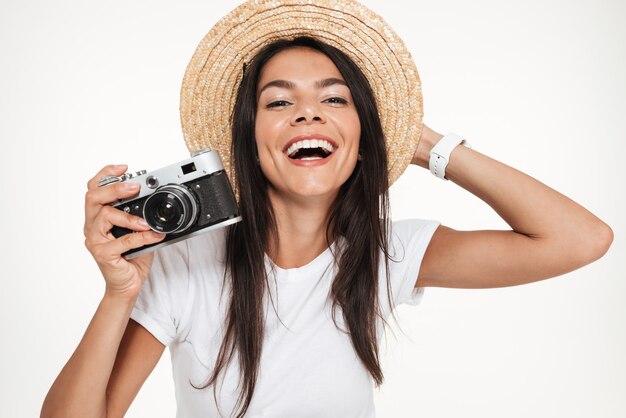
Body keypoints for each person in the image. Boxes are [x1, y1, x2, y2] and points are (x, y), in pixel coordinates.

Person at [41, 1, 613, 417]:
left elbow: (580, 239)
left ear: (361, 137)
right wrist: (119, 291)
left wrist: (430, 148)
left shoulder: (390, 253)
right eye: (280, 100)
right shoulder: (185, 265)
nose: (308, 113)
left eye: (334, 99)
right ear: (249, 139)